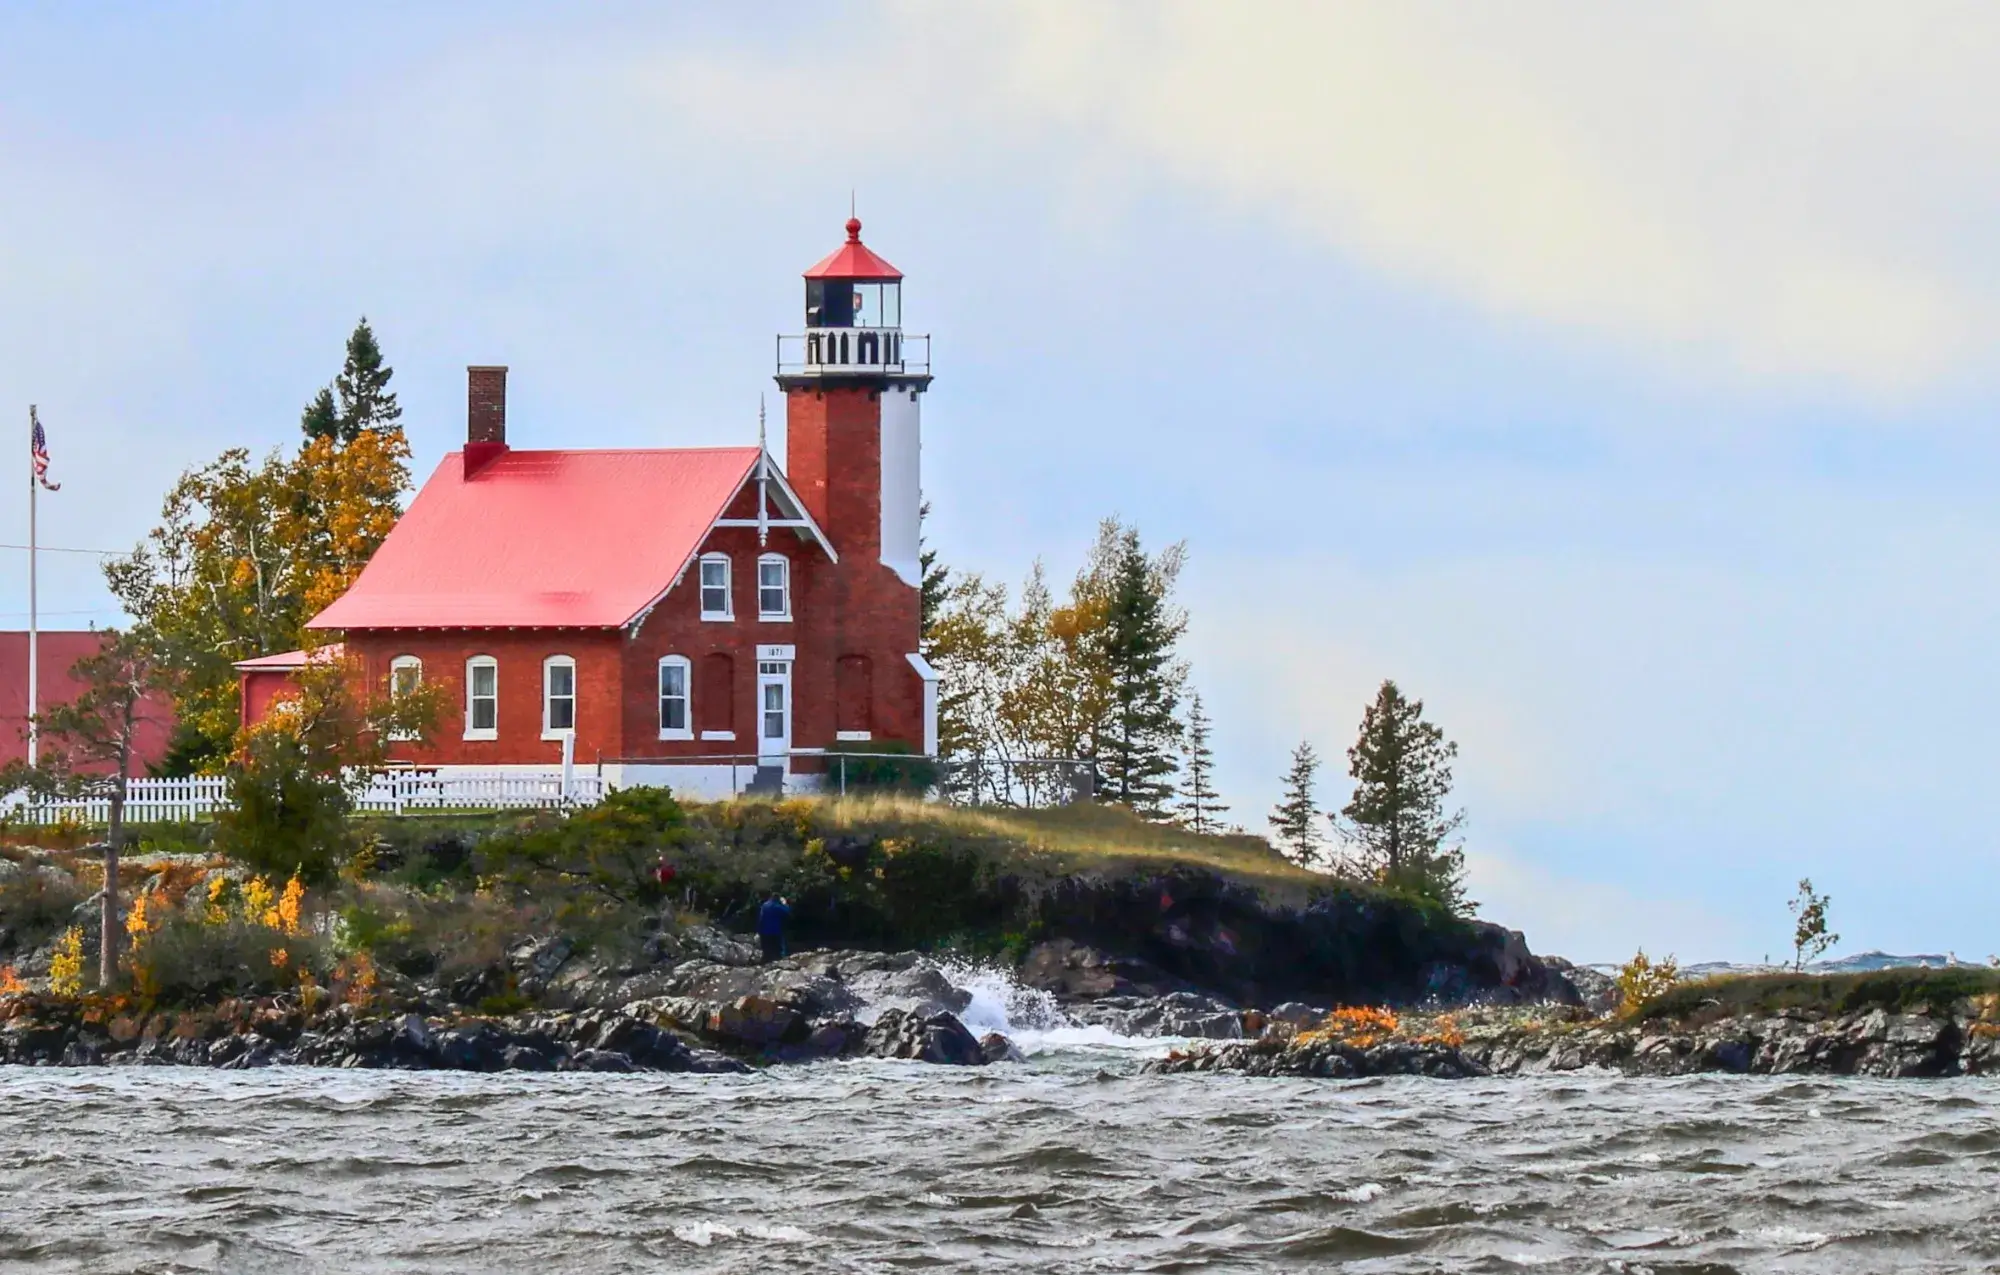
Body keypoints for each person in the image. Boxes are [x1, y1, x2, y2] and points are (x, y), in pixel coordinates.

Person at [757, 892, 791, 963]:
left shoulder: (764, 905)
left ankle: (764, 965)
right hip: (775, 932)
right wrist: (784, 903)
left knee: (767, 952)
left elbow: (760, 918)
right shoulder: (777, 906)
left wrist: (759, 931)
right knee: (778, 951)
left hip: (764, 932)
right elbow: (787, 911)